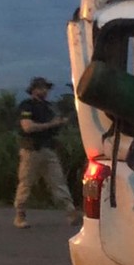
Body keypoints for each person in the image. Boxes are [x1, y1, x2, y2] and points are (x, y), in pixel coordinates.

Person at [13, 77, 81, 228]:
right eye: (41, 87)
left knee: (58, 182)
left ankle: (71, 213)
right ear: (33, 90)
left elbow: (54, 125)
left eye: (45, 88)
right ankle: (20, 215)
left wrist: (60, 123)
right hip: (31, 150)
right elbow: (27, 127)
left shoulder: (49, 107)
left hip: (48, 149)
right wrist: (51, 124)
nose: (44, 91)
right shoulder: (27, 105)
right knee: (26, 183)